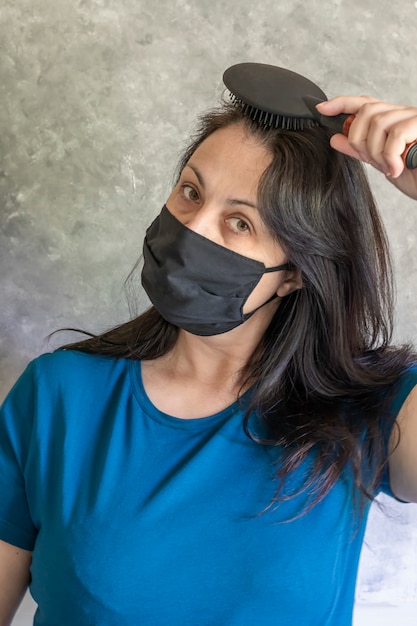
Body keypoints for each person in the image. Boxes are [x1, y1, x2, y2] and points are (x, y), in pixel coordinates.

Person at [0, 81, 416, 626]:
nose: (192, 228)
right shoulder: (59, 395)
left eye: (239, 222)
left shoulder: (369, 413)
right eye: (191, 192)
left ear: (293, 274)